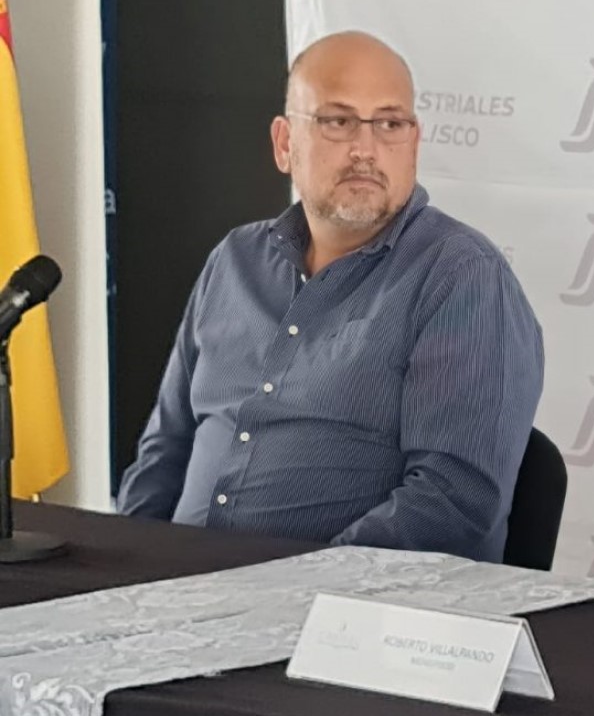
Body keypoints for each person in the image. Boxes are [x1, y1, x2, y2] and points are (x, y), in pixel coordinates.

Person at [117, 31, 544, 563]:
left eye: (390, 124)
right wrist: (124, 569)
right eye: (338, 122)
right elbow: (164, 452)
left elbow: (452, 503)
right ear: (284, 143)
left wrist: (295, 585)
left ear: (414, 142)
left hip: (337, 604)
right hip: (178, 590)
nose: (366, 149)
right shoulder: (235, 260)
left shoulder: (460, 276)